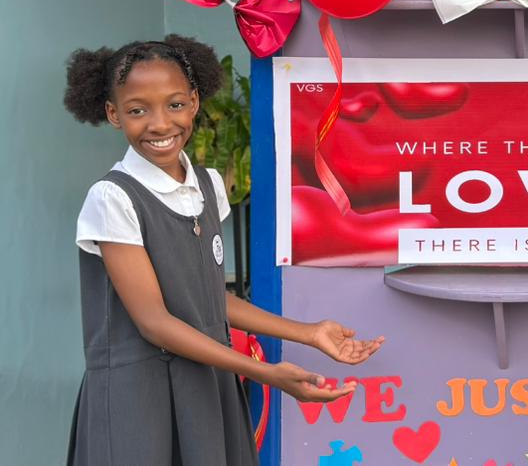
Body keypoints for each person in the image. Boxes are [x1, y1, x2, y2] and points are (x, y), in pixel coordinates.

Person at [64, 37, 384, 465]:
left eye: (175, 104)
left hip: (205, 384)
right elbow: (155, 322)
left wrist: (309, 332)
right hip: (138, 399)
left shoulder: (207, 184)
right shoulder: (113, 197)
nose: (160, 124)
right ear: (113, 114)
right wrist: (266, 373)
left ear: (195, 102)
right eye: (138, 110)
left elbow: (209, 300)